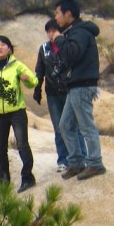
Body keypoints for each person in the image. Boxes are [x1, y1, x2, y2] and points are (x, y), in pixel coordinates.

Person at [0, 35, 39, 193]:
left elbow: (33, 80)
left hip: (17, 111)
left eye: (3, 44)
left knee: (22, 145)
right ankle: (3, 181)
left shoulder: (16, 65)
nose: (0, 47)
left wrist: (27, 79)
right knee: (0, 149)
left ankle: (27, 178)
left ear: (9, 48)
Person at [53, 0, 106, 180]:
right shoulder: (74, 32)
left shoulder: (80, 32)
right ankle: (76, 163)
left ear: (68, 13)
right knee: (65, 125)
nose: (56, 18)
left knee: (85, 125)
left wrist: (59, 40)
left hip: (82, 85)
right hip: (76, 85)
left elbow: (73, 54)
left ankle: (95, 163)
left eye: (58, 13)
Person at [33, 18, 85, 173]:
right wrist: (38, 88)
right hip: (53, 93)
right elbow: (39, 70)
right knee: (58, 127)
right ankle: (63, 159)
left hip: (69, 90)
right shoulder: (44, 49)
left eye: (54, 31)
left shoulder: (68, 46)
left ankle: (80, 157)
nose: (51, 34)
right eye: (48, 31)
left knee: (74, 126)